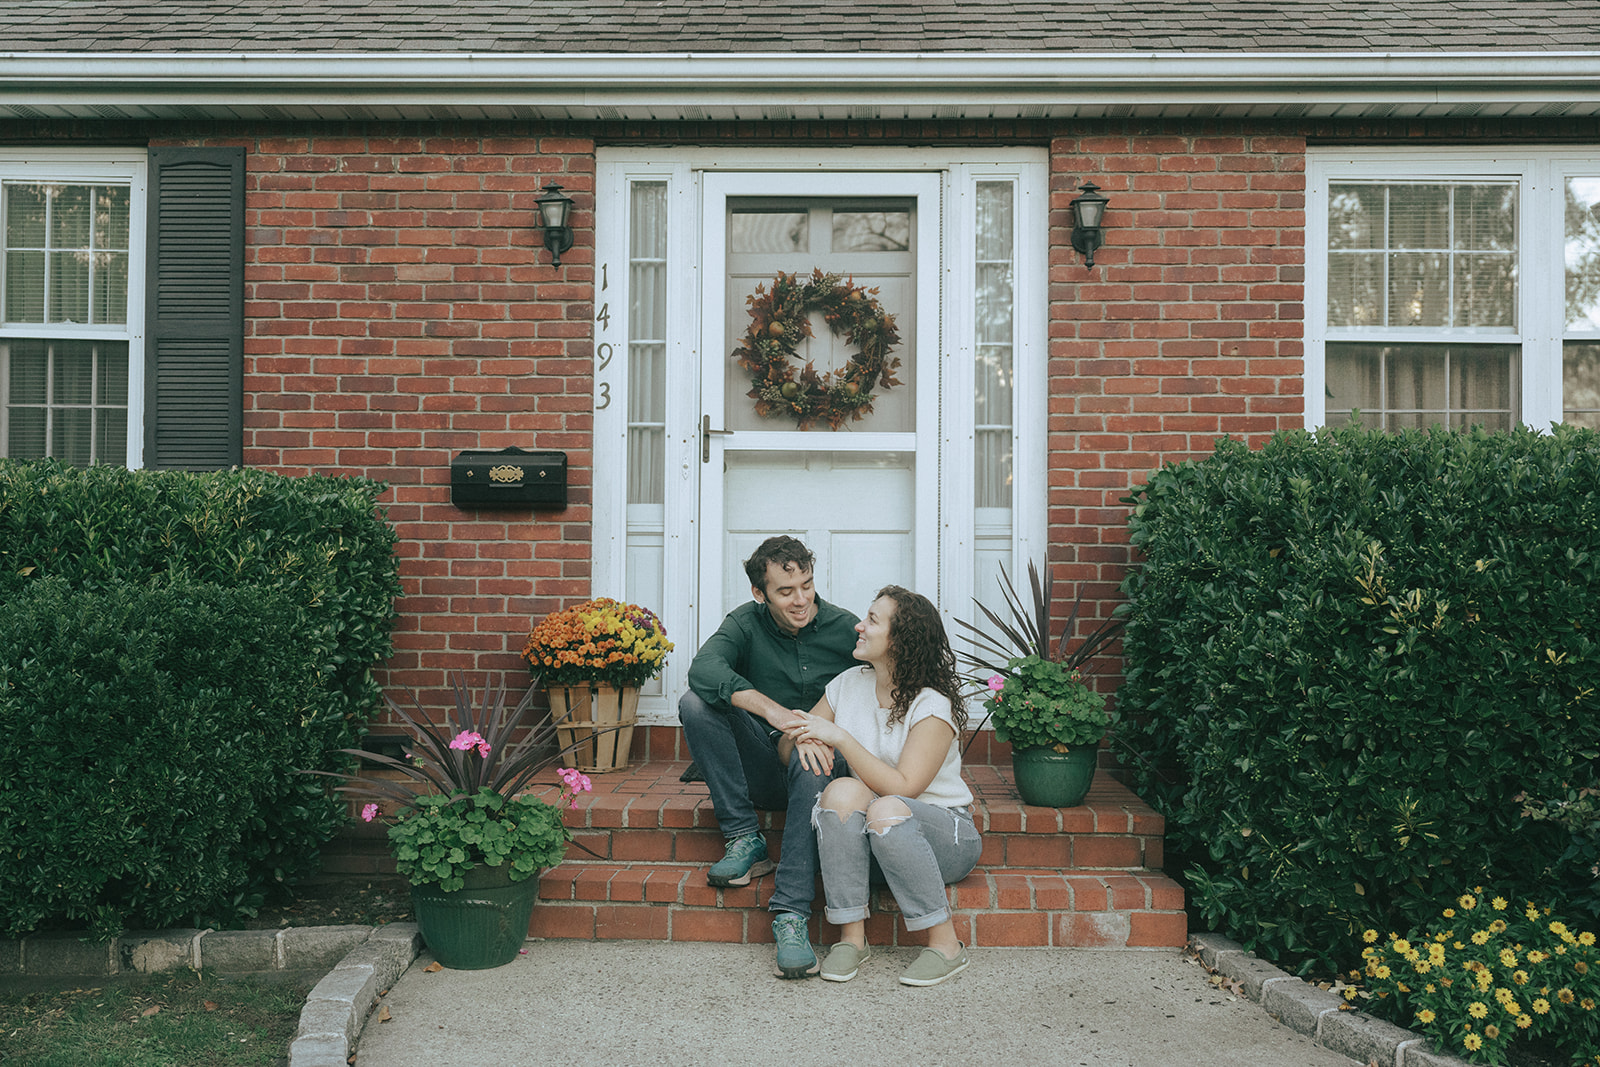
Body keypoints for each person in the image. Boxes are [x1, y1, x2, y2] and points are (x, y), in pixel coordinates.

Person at [781, 585, 981, 987]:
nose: (859, 625)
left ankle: (946, 945)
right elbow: (789, 748)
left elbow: (905, 787)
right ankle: (852, 939)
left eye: (872, 620)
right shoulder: (847, 684)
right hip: (874, 838)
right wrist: (804, 738)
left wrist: (838, 737)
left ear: (900, 640)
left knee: (887, 807)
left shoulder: (932, 706)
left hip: (944, 835)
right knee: (839, 794)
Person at [679, 535, 860, 978]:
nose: (801, 600)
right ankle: (745, 838)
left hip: (825, 773)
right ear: (760, 594)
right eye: (785, 591)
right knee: (694, 702)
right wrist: (773, 711)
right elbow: (704, 669)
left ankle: (790, 916)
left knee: (810, 754)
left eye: (808, 585)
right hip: (764, 764)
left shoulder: (844, 627)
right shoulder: (745, 623)